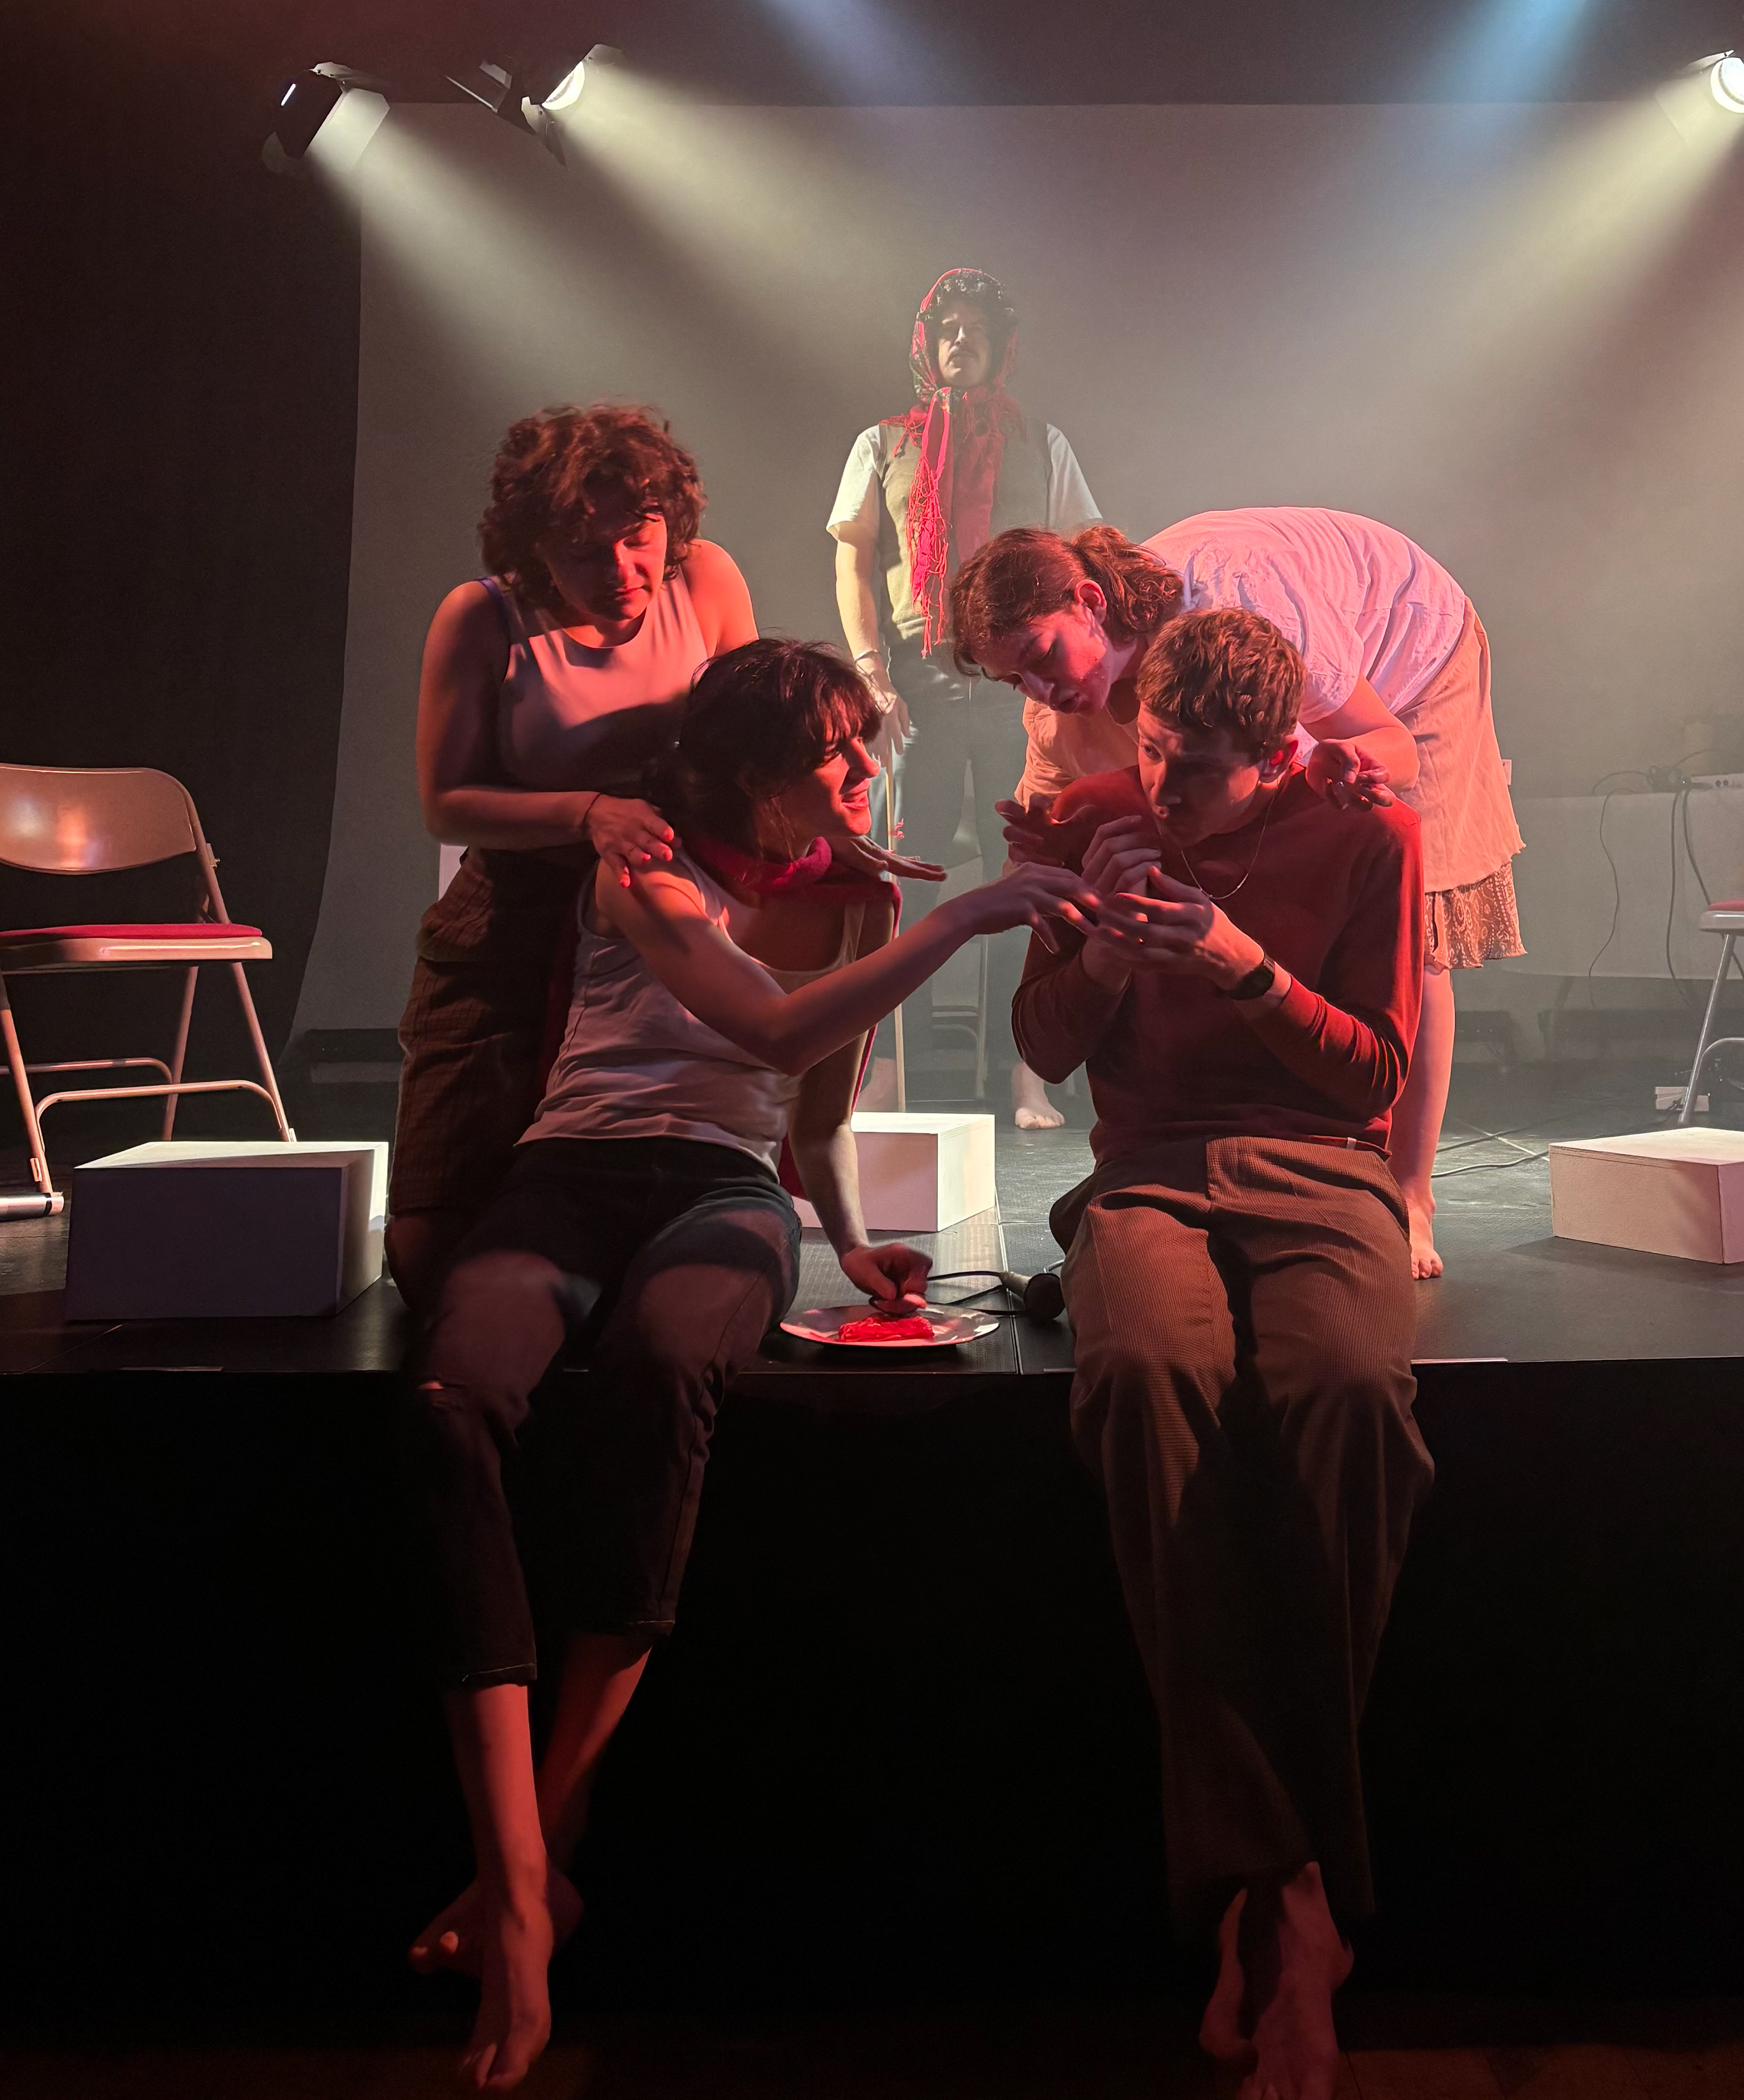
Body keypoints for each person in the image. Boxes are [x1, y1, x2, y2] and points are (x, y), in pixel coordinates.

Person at [404, 638, 1093, 2092]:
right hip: (570, 1173)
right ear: (750, 769)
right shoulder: (646, 862)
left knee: (666, 1372)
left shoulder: (855, 897)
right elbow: (769, 1023)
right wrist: (966, 915)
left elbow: (811, 1102)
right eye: (832, 751)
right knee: (458, 1398)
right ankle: (524, 1881)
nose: (861, 772)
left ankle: (534, 1860)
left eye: (863, 745)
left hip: (723, 1190)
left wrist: (848, 1240)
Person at [1014, 608, 1432, 2100]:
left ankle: (1268, 1885)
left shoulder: (1369, 833)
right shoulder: (1099, 818)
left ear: (1279, 755)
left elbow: (1379, 1070)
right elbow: (1044, 1046)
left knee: (1352, 1393)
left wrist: (1249, 967)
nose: (1164, 786)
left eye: (1197, 769)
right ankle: (1294, 1891)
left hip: (1320, 1170)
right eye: (1151, 751)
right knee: (1144, 1378)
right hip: (1146, 1171)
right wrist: (1099, 959)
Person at [954, 509, 1522, 1278]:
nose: (1039, 688)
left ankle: (1411, 1194)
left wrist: (1345, 765)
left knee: (1413, 928)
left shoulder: (1243, 604)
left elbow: (1390, 743)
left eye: (1041, 656)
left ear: (1090, 601)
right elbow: (1039, 856)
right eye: (1013, 680)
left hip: (1405, 647)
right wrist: (1036, 861)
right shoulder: (1059, 714)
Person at [389, 405, 757, 1303]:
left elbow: (760, 744)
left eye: (639, 539)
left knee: (629, 1195)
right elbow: (445, 803)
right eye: (585, 551)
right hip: (513, 916)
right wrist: (590, 811)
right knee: (429, 1248)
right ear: (534, 548)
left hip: (659, 918)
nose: (621, 570)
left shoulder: (705, 579)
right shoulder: (482, 618)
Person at [828, 268, 1101, 1129]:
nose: (960, 341)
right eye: (947, 328)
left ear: (1001, 345)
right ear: (926, 343)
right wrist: (871, 673)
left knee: (1027, 870)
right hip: (922, 683)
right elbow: (854, 559)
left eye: (975, 329)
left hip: (1020, 685)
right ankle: (887, 1071)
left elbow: (1084, 554)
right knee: (904, 876)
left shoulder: (1041, 443)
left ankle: (1024, 1072)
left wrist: (1068, 685)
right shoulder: (882, 443)